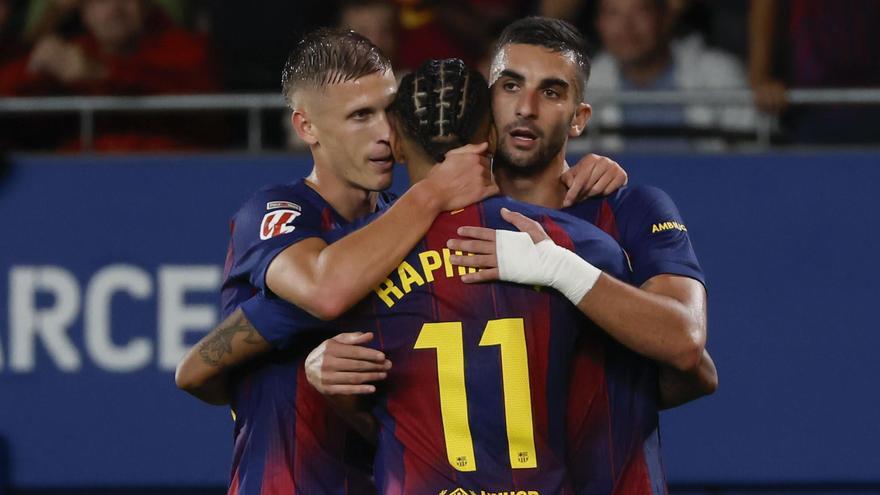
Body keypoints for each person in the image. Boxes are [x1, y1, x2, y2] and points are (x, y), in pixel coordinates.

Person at [309, 17, 717, 494]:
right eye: (510, 85)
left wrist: (562, 269)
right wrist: (328, 375)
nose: (525, 108)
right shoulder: (411, 229)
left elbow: (690, 350)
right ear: (486, 103)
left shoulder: (627, 210)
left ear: (579, 117)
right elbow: (398, 415)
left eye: (551, 92)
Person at [235, 57, 635, 494]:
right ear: (491, 137)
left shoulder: (355, 263)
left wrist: (321, 378)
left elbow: (203, 364)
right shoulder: (583, 246)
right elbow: (659, 376)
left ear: (399, 146)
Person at [177, 28, 497, 494]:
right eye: (360, 116)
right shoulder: (273, 212)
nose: (386, 132)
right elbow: (324, 290)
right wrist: (432, 191)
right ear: (307, 127)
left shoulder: (408, 220)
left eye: (390, 110)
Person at [2, 0, 221, 150]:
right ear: (83, 11)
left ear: (146, 5)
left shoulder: (185, 48)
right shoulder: (74, 53)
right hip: (78, 189)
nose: (115, 9)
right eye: (101, 0)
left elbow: (202, 104)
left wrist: (100, 74)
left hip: (172, 182)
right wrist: (33, 67)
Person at [588, 0, 754, 150]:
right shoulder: (584, 82)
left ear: (666, 17)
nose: (626, 27)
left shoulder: (718, 71)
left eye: (641, 10)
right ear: (598, 24)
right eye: (612, 13)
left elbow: (754, 148)